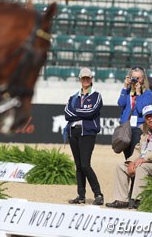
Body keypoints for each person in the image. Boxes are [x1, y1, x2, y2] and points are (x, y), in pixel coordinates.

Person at [106, 105, 152, 209]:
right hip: (145, 162)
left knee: (142, 168)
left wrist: (144, 159)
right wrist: (131, 162)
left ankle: (138, 200)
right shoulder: (146, 129)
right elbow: (138, 149)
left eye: (151, 115)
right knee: (121, 167)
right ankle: (121, 200)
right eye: (147, 116)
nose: (149, 118)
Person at [64, 67, 104, 205]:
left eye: (88, 78)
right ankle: (81, 195)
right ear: (80, 79)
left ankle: (98, 194)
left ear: (91, 79)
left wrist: (76, 112)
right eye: (83, 78)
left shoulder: (97, 96)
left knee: (85, 165)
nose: (86, 80)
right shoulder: (73, 97)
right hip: (73, 132)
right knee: (78, 165)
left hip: (87, 132)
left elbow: (92, 112)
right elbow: (66, 114)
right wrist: (83, 112)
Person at [117, 66, 152, 160]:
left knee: (134, 157)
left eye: (138, 78)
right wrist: (125, 87)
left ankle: (135, 174)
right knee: (127, 157)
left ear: (143, 79)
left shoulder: (147, 93)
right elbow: (120, 103)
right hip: (126, 128)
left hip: (138, 129)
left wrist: (138, 94)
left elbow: (142, 109)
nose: (136, 80)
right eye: (133, 77)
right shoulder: (128, 91)